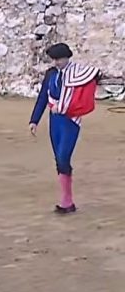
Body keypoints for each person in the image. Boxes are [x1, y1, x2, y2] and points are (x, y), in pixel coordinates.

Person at [28, 43, 101, 214]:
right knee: (59, 159)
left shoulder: (77, 72)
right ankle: (67, 201)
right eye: (54, 59)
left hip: (70, 120)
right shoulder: (51, 74)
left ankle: (67, 200)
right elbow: (43, 96)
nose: (57, 62)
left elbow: (95, 76)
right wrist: (34, 120)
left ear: (68, 57)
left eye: (60, 59)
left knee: (63, 156)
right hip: (54, 119)